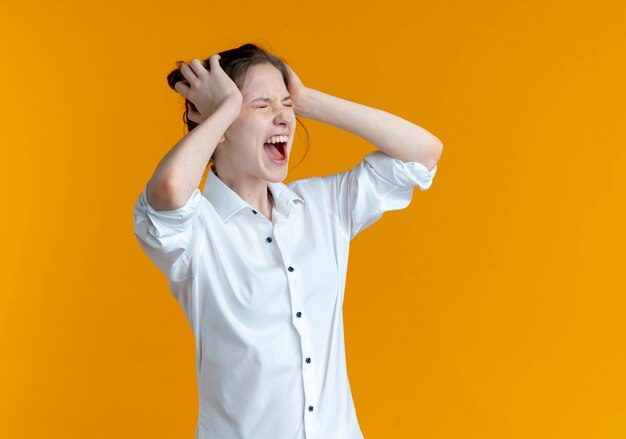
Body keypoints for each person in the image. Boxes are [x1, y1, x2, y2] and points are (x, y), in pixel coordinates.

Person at [133, 43, 443, 439]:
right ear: (218, 126)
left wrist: (305, 99)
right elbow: (171, 189)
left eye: (286, 104)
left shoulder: (321, 206)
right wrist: (224, 110)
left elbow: (424, 153)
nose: (283, 118)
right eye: (261, 105)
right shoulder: (196, 231)